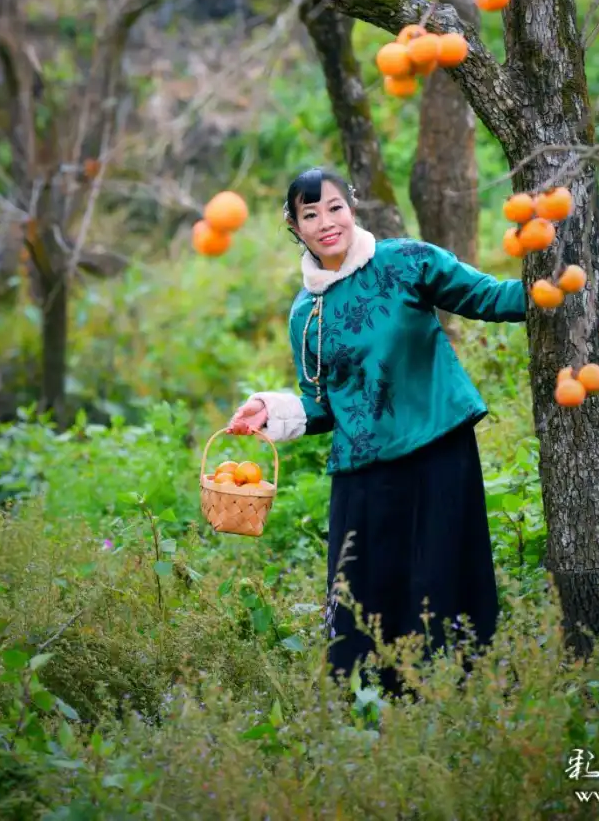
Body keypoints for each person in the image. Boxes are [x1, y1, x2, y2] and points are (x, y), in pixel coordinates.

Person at [225, 165, 528, 692]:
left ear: (353, 206)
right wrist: (269, 411)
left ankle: (461, 696)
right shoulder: (306, 314)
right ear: (294, 227)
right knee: (364, 596)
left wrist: (564, 288)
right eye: (310, 214)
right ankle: (378, 712)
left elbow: (489, 298)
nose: (325, 223)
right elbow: (322, 405)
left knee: (442, 578)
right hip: (364, 475)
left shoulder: (408, 261)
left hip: (438, 451)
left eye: (334, 207)